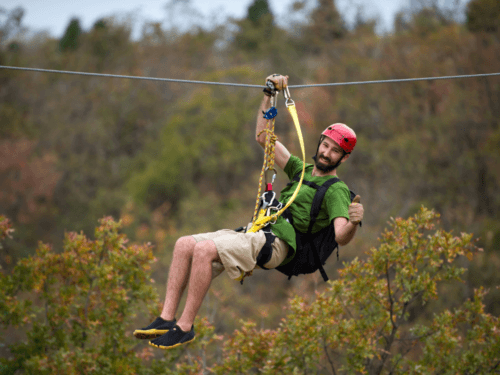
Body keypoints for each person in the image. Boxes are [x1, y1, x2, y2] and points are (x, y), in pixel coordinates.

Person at [133, 74, 364, 350]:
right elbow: (263, 137)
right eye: (325, 145)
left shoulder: (336, 190)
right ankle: (165, 319)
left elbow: (340, 235)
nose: (326, 153)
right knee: (184, 245)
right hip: (260, 230)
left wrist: (353, 221)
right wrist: (268, 95)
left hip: (281, 244)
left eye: (334, 151)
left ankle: (185, 327)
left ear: (344, 158)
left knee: (205, 250)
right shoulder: (300, 170)